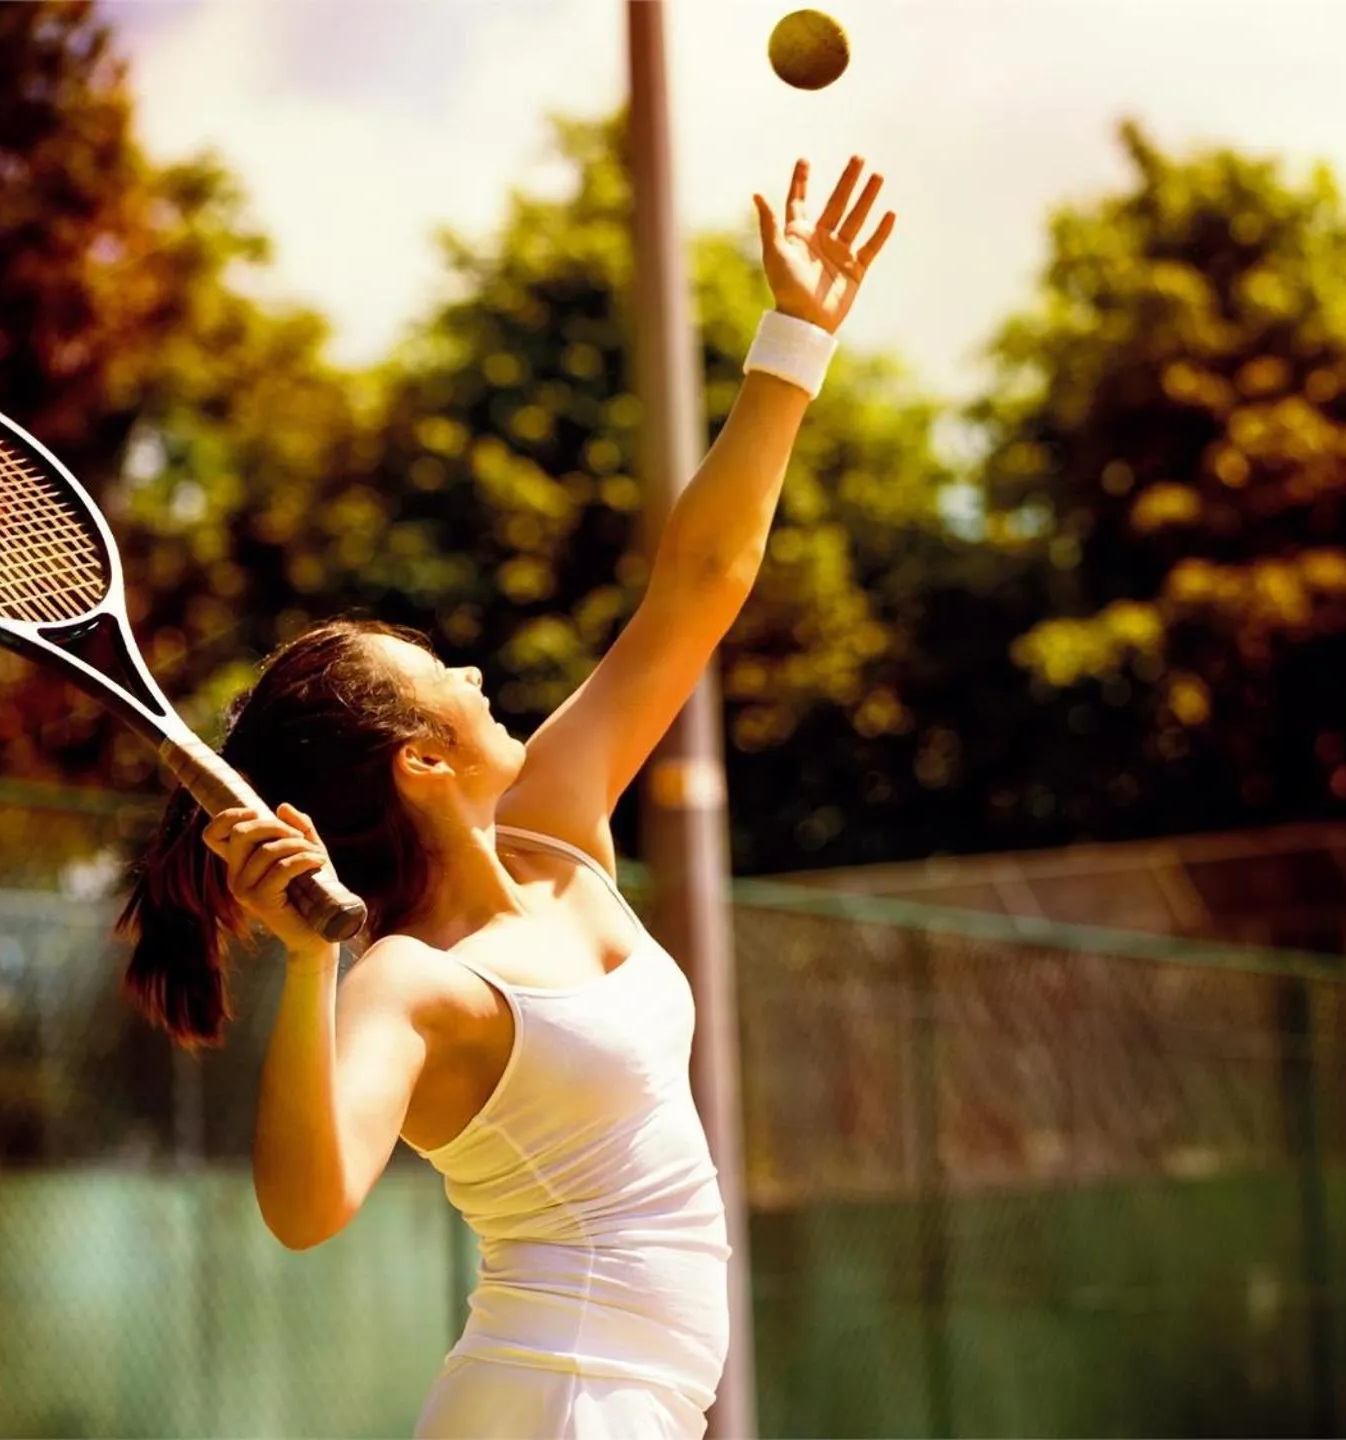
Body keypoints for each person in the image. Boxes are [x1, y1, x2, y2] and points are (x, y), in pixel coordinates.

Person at [117, 157, 895, 1440]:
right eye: (447, 679)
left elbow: (699, 581)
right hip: (560, 1408)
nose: (479, 675)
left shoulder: (558, 836)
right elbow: (308, 1210)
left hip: (618, 1405)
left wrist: (796, 332)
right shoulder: (410, 983)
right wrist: (311, 970)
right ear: (422, 762)